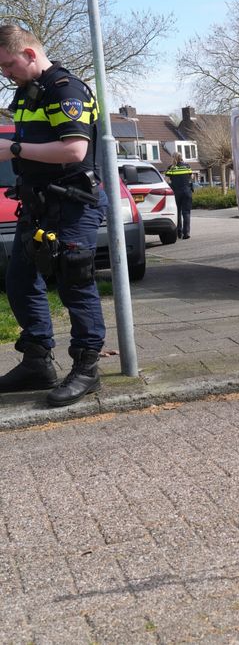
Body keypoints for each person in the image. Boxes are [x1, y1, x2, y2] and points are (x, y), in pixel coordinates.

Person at [0, 24, 105, 407]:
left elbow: (75, 151)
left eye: (8, 65)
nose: (6, 73)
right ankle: (36, 362)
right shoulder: (28, 93)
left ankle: (87, 369)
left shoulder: (66, 90)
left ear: (29, 53)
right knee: (20, 280)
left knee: (75, 283)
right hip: (39, 204)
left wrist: (12, 150)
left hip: (72, 203)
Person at [165, 155, 193, 239]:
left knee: (177, 212)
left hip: (176, 192)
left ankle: (179, 232)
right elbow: (191, 178)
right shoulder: (187, 166)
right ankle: (186, 233)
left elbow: (166, 181)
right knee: (186, 213)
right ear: (181, 157)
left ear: (173, 158)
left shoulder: (171, 168)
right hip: (187, 192)